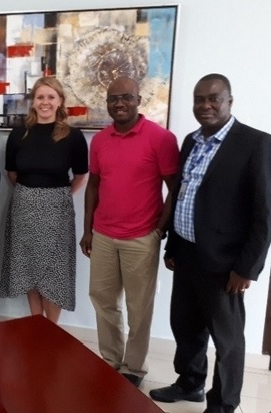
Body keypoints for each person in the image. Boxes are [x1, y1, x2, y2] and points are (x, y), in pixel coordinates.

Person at [149, 74, 271, 412]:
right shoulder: (191, 140)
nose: (205, 105)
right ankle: (190, 384)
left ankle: (224, 403)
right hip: (187, 253)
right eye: (199, 98)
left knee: (227, 340)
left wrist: (247, 268)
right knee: (186, 326)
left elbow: (265, 214)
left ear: (230, 101)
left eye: (214, 98)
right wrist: (172, 246)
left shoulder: (255, 143)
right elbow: (182, 194)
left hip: (225, 264)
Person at [79, 76, 179, 387]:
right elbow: (93, 186)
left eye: (126, 97)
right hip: (104, 235)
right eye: (113, 99)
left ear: (138, 99)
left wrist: (159, 231)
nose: (119, 104)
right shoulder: (100, 140)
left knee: (139, 308)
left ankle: (134, 368)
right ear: (106, 103)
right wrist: (88, 230)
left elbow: (174, 189)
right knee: (103, 300)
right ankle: (110, 359)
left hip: (141, 238)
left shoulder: (161, 138)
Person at [0, 76, 88, 323]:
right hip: (24, 208)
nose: (45, 102)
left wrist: (58, 195)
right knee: (29, 268)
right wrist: (32, 193)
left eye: (51, 97)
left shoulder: (72, 136)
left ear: (60, 101)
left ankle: (51, 329)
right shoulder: (19, 134)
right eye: (40, 97)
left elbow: (81, 175)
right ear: (33, 101)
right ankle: (36, 325)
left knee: (54, 271)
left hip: (57, 211)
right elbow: (11, 173)